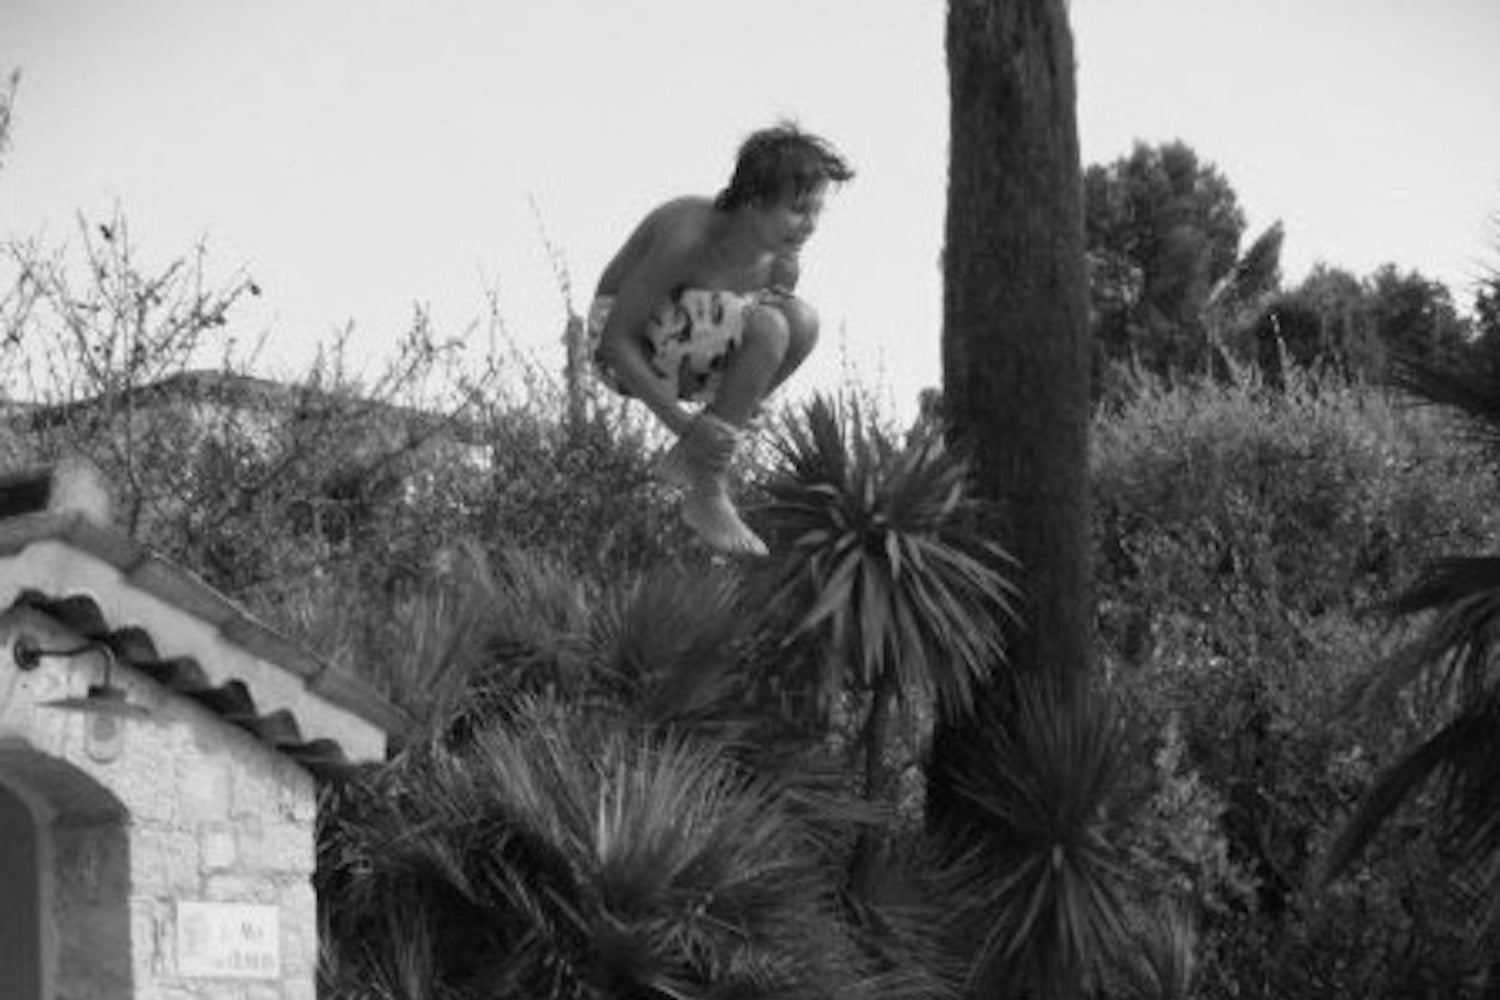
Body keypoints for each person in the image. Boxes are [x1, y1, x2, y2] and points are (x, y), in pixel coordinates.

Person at [589, 122, 853, 556]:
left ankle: (697, 460)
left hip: (684, 352)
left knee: (801, 322)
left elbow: (754, 345)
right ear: (753, 200)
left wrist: (725, 415)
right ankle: (707, 490)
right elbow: (614, 341)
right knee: (771, 325)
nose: (810, 226)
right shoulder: (687, 236)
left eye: (816, 213)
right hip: (619, 344)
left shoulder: (781, 265)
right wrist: (683, 424)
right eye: (799, 210)